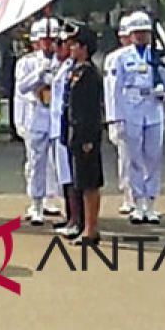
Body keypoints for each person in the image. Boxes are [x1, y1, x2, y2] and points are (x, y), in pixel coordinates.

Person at [110, 10, 165, 224]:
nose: (140, 37)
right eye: (136, 33)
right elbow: (115, 89)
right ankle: (137, 202)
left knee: (153, 157)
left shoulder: (157, 55)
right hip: (132, 108)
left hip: (153, 107)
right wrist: (116, 117)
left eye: (144, 32)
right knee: (134, 158)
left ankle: (151, 202)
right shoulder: (122, 57)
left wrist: (164, 90)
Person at [15, 18, 57, 225]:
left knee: (60, 163)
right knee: (36, 162)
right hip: (37, 115)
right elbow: (22, 87)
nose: (48, 44)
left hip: (57, 116)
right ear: (35, 42)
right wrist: (39, 73)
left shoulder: (63, 60)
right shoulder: (27, 62)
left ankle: (55, 199)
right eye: (44, 40)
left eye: (52, 39)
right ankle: (36, 203)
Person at [65, 26, 104, 246]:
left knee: (89, 183)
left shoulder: (88, 74)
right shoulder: (77, 71)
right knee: (81, 181)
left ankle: (91, 229)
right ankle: (85, 225)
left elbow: (90, 110)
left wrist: (88, 138)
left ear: (85, 48)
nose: (71, 48)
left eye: (75, 45)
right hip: (76, 134)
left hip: (86, 136)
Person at [47, 22, 79, 238]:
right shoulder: (61, 66)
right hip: (57, 127)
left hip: (67, 127)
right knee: (64, 176)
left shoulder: (75, 68)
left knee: (72, 176)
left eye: (63, 43)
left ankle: (77, 219)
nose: (58, 47)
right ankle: (70, 216)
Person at [104, 16, 134, 215]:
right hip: (123, 114)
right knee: (127, 158)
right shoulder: (115, 58)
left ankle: (145, 199)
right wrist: (113, 118)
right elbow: (111, 91)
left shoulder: (152, 55)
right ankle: (129, 195)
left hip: (144, 114)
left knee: (148, 159)